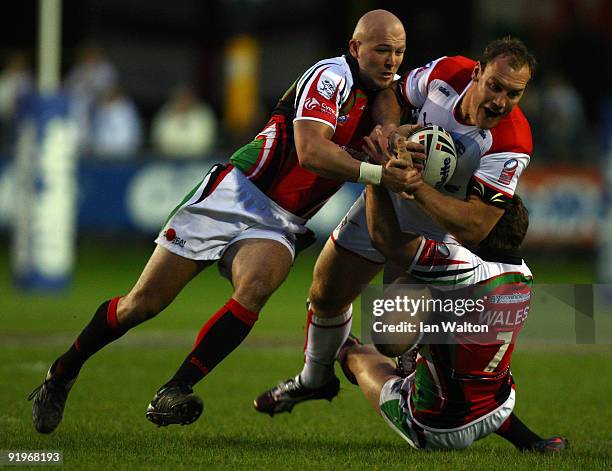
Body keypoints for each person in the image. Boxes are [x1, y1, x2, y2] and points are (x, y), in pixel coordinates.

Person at [29, 9, 422, 434]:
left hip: (281, 222)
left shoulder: (389, 95)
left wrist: (396, 138)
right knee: (141, 305)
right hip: (235, 193)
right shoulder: (330, 77)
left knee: (256, 287)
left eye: (399, 52)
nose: (392, 60)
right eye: (382, 50)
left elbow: (389, 112)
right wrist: (379, 173)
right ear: (354, 48)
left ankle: (175, 390)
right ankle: (62, 373)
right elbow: (310, 152)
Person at [255, 36, 538, 414]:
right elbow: (391, 94)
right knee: (325, 294)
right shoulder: (446, 72)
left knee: (390, 338)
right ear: (476, 73)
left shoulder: (511, 144)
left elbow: (476, 226)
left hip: (435, 233)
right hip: (386, 201)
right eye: (495, 86)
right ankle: (313, 379)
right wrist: (390, 130)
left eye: (514, 94)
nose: (501, 101)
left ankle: (421, 342)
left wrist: (416, 186)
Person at [337, 164, 568, 452]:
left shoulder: (465, 267)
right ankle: (530, 442)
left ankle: (341, 349)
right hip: (499, 405)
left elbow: (387, 238)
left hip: (436, 427)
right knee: (474, 369)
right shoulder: (523, 274)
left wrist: (376, 178)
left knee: (358, 354)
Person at [152, 85, 218, 158]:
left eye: (185, 98)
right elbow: (159, 141)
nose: (183, 101)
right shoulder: (165, 113)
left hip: (199, 160)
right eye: (179, 98)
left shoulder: (203, 115)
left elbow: (204, 142)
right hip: (168, 159)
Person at [90, 85, 142, 157]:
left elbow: (129, 135)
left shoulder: (125, 109)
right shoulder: (100, 110)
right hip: (102, 153)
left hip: (124, 152)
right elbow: (96, 133)